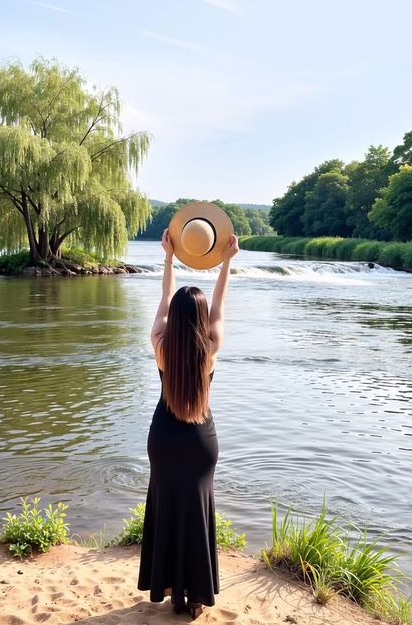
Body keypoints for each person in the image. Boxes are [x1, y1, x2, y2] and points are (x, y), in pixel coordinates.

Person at [138, 227, 239, 619]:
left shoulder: (160, 345)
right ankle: (195, 596)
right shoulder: (210, 349)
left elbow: (164, 301)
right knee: (197, 513)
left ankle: (170, 588)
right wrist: (226, 261)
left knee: (166, 508)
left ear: (174, 320)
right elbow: (219, 304)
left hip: (164, 437)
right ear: (199, 321)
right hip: (200, 441)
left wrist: (168, 257)